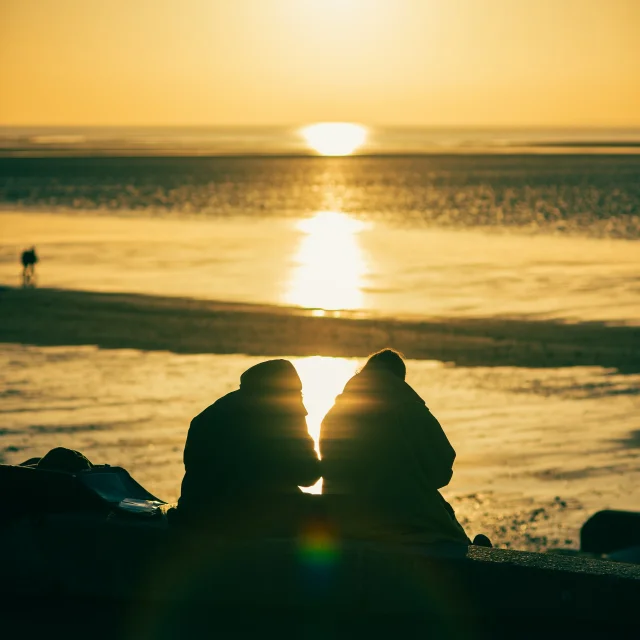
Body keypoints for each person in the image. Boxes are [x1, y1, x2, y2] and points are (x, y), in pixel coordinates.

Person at [320, 348, 471, 546]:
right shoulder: (409, 408)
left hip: (343, 522)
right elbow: (442, 468)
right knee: (457, 540)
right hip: (405, 521)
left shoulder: (332, 415)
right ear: (399, 379)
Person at [175, 359, 321, 534]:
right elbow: (308, 475)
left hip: (196, 516)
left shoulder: (212, 412)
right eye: (298, 393)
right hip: (249, 520)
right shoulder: (283, 415)